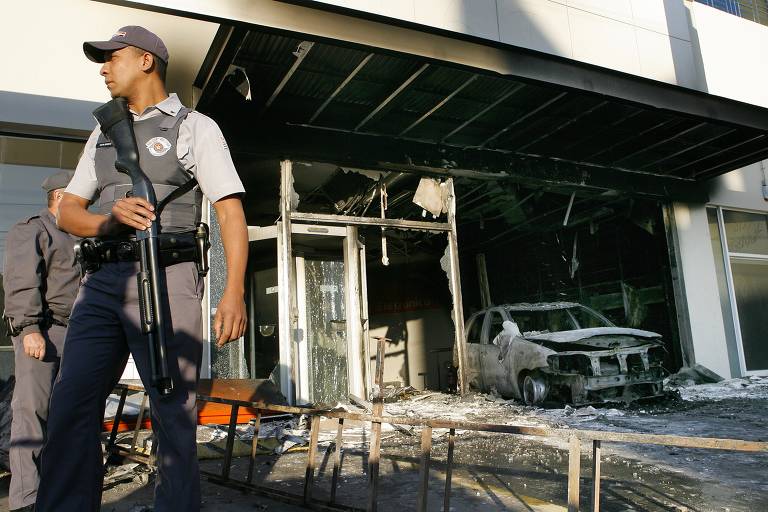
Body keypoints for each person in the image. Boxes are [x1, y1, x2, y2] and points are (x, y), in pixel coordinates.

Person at [35, 26, 249, 512]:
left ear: (147, 60)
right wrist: (104, 221)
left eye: (113, 58)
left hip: (168, 278)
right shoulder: (105, 131)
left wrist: (231, 291)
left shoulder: (195, 127)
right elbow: (66, 210)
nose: (104, 68)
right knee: (70, 405)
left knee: (173, 412)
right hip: (102, 282)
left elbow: (229, 211)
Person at [2, 171, 80, 512]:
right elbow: (20, 281)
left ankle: (58, 495)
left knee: (69, 418)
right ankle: (26, 502)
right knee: (31, 417)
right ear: (60, 197)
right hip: (44, 333)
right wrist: (29, 328)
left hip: (77, 334)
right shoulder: (32, 229)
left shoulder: (79, 234)